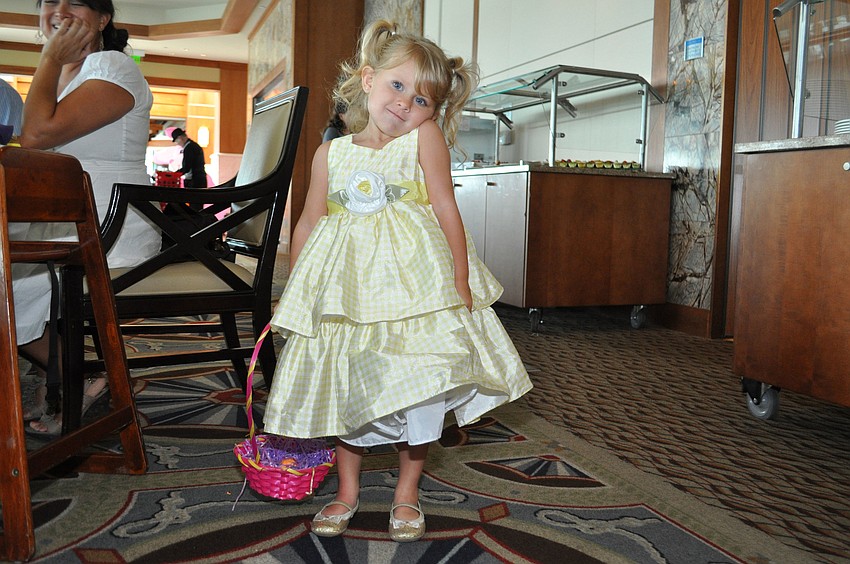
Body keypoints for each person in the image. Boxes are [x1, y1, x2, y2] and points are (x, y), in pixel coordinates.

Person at [263, 20, 532, 542]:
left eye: (423, 99)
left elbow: (447, 209)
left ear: (434, 112)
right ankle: (347, 491)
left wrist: (460, 277)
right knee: (345, 381)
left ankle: (407, 492)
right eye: (398, 85)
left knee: (420, 384)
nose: (406, 103)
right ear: (368, 80)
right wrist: (297, 289)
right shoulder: (331, 152)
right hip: (346, 293)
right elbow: (310, 220)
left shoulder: (423, 140)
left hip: (414, 289)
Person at [16, 0, 161, 436]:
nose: (60, 8)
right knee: (8, 280)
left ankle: (82, 373)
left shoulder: (112, 66)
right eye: (50, 0)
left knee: (6, 287)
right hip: (73, 222)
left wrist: (48, 58)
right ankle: (77, 373)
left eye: (76, 1)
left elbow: (35, 136)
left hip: (109, 227)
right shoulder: (69, 77)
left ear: (103, 18)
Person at [171, 127, 207, 197]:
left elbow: (187, 167)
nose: (177, 143)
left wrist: (174, 175)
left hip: (194, 182)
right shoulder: (194, 145)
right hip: (200, 180)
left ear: (180, 138)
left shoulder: (189, 148)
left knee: (194, 201)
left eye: (176, 141)